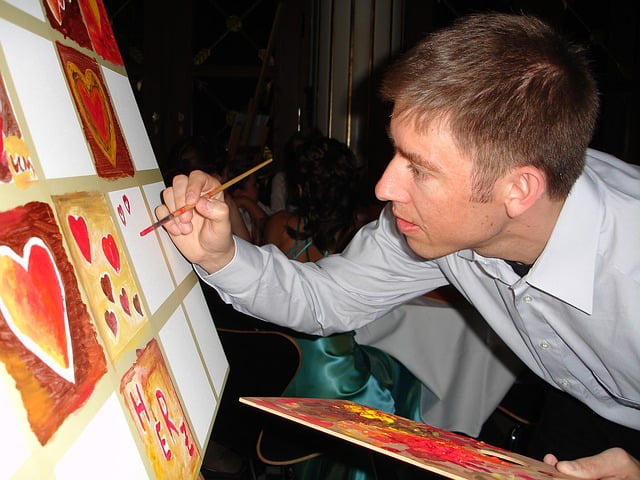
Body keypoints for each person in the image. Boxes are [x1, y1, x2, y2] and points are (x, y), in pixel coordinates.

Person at [156, 13, 640, 480]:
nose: (384, 188)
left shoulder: (628, 261)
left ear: (518, 190)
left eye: (421, 169)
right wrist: (220, 255)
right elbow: (328, 298)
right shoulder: (439, 224)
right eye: (396, 152)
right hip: (576, 406)